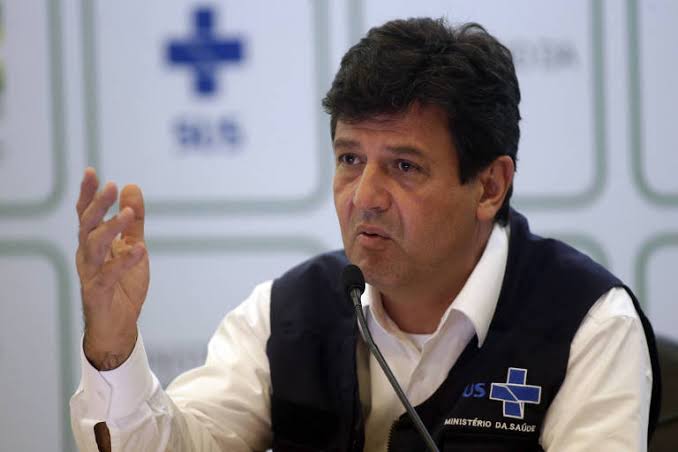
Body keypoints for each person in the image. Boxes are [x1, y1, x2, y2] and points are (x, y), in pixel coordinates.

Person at [70, 17, 660, 451]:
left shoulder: (587, 325)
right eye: (350, 159)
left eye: (404, 166)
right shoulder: (285, 314)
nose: (364, 197)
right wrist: (114, 348)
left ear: (489, 186)